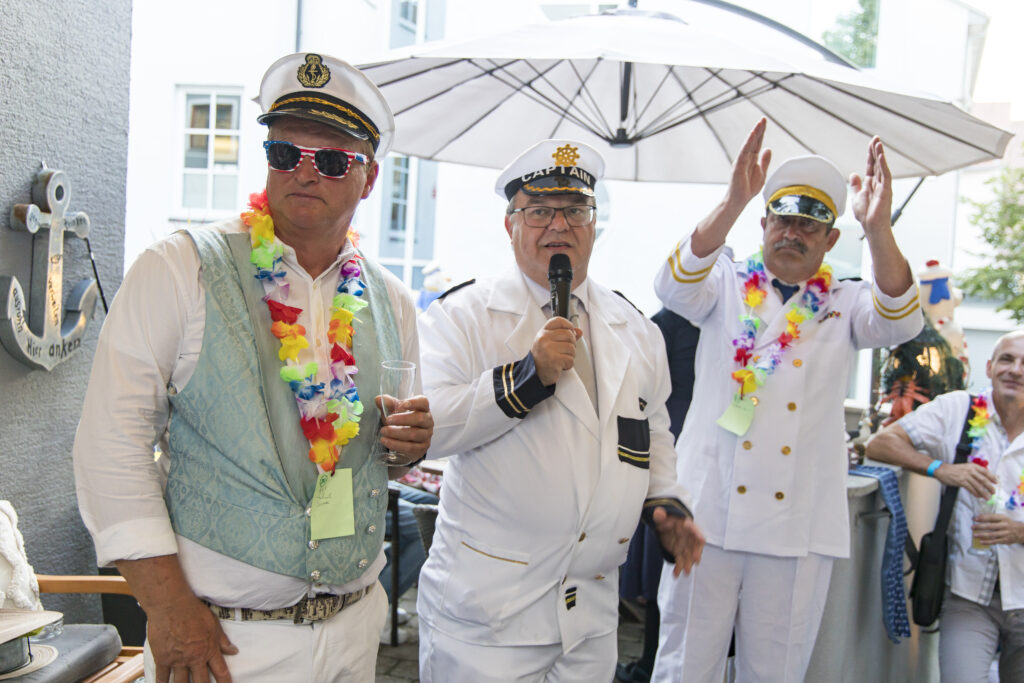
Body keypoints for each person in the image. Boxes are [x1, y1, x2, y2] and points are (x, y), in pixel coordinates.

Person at [72, 52, 433, 683]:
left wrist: (407, 447)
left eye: (331, 160)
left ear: (369, 178)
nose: (304, 172)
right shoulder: (179, 268)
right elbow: (111, 445)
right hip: (223, 641)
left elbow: (385, 457)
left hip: (354, 630)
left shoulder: (392, 300)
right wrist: (167, 608)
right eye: (285, 153)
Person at [415, 139, 705, 682]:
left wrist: (664, 499)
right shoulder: (464, 316)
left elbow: (652, 426)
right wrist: (525, 379)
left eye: (575, 210)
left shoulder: (635, 327)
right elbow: (429, 428)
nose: (559, 225)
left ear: (593, 223)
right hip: (491, 618)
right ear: (509, 224)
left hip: (590, 618)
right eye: (539, 211)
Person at [651, 118, 923, 682]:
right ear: (764, 224)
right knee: (683, 666)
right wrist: (733, 200)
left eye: (809, 225)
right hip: (710, 511)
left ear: (830, 240)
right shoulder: (726, 284)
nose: (793, 233)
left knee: (775, 672)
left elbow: (901, 320)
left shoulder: (845, 301)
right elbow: (672, 285)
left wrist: (877, 228)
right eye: (783, 219)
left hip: (796, 522)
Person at [866, 330, 1024, 682]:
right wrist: (940, 468)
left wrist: (1019, 531)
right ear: (989, 367)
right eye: (1007, 359)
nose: (1015, 370)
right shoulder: (958, 409)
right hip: (969, 596)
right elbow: (880, 444)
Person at [617, 308, 701, 683]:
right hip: (677, 434)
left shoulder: (669, 322)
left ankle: (650, 663)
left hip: (674, 436)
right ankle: (652, 661)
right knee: (667, 561)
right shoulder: (681, 321)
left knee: (663, 565)